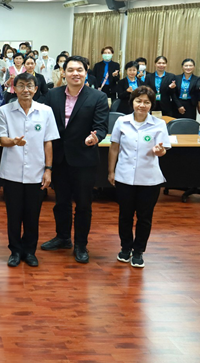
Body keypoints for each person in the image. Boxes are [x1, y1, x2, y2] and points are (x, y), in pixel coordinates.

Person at [41, 56, 109, 264]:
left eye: (79, 70)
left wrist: (95, 137)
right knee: (61, 202)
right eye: (70, 70)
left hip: (84, 159)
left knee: (83, 204)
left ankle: (81, 244)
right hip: (59, 158)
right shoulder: (52, 95)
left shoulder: (98, 97)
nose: (75, 73)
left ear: (86, 73)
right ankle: (63, 237)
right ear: (63, 73)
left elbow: (101, 126)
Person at [0, 72, 59, 267]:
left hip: (36, 172)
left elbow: (48, 142)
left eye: (29, 86)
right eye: (21, 85)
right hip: (11, 172)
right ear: (14, 88)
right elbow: (1, 139)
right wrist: (13, 141)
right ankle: (15, 251)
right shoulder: (4, 111)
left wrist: (48, 169)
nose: (25, 90)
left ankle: (30, 251)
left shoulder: (45, 111)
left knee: (32, 215)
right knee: (13, 215)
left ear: (36, 89)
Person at [107, 86, 170, 268]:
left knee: (144, 217)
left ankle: (138, 251)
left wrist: (159, 151)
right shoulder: (122, 121)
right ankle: (125, 248)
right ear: (132, 102)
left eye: (146, 102)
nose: (142, 105)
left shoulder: (159, 124)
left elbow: (163, 151)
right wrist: (111, 171)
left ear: (151, 105)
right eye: (138, 101)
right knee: (125, 215)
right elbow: (114, 147)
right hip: (124, 176)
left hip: (149, 178)